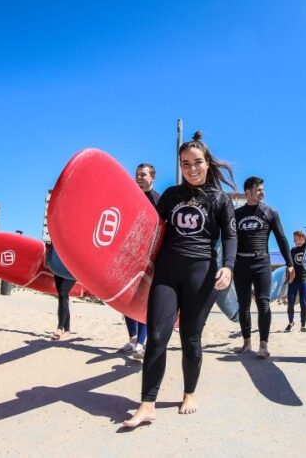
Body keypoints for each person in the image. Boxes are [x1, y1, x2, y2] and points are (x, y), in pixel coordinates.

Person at [124, 131, 236, 428]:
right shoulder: (171, 195)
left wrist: (228, 266)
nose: (191, 168)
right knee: (157, 335)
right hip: (167, 273)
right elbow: (151, 228)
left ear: (207, 163)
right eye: (185, 163)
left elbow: (230, 235)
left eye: (197, 162)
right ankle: (147, 404)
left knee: (190, 337)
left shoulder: (220, 199)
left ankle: (189, 393)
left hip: (201, 274)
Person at [233, 176, 294, 358]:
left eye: (263, 189)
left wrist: (289, 263)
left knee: (263, 303)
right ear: (248, 192)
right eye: (258, 189)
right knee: (243, 305)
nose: (262, 192)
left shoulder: (270, 212)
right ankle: (246, 343)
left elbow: (281, 238)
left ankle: (263, 345)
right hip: (241, 264)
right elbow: (228, 240)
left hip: (261, 264)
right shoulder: (236, 214)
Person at [117, 163, 160, 359]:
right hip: (130, 255)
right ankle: (133, 339)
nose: (139, 178)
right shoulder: (130, 197)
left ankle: (141, 343)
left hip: (150, 258)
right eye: (137, 175)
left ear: (153, 177)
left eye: (143, 175)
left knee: (144, 301)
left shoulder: (159, 200)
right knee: (128, 298)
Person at [286, 230, 306, 332]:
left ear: (301, 238)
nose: (294, 241)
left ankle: (303, 325)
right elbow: (289, 265)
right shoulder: (293, 250)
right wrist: (288, 278)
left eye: (295, 239)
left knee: (303, 303)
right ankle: (291, 322)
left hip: (304, 280)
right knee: (290, 303)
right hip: (293, 281)